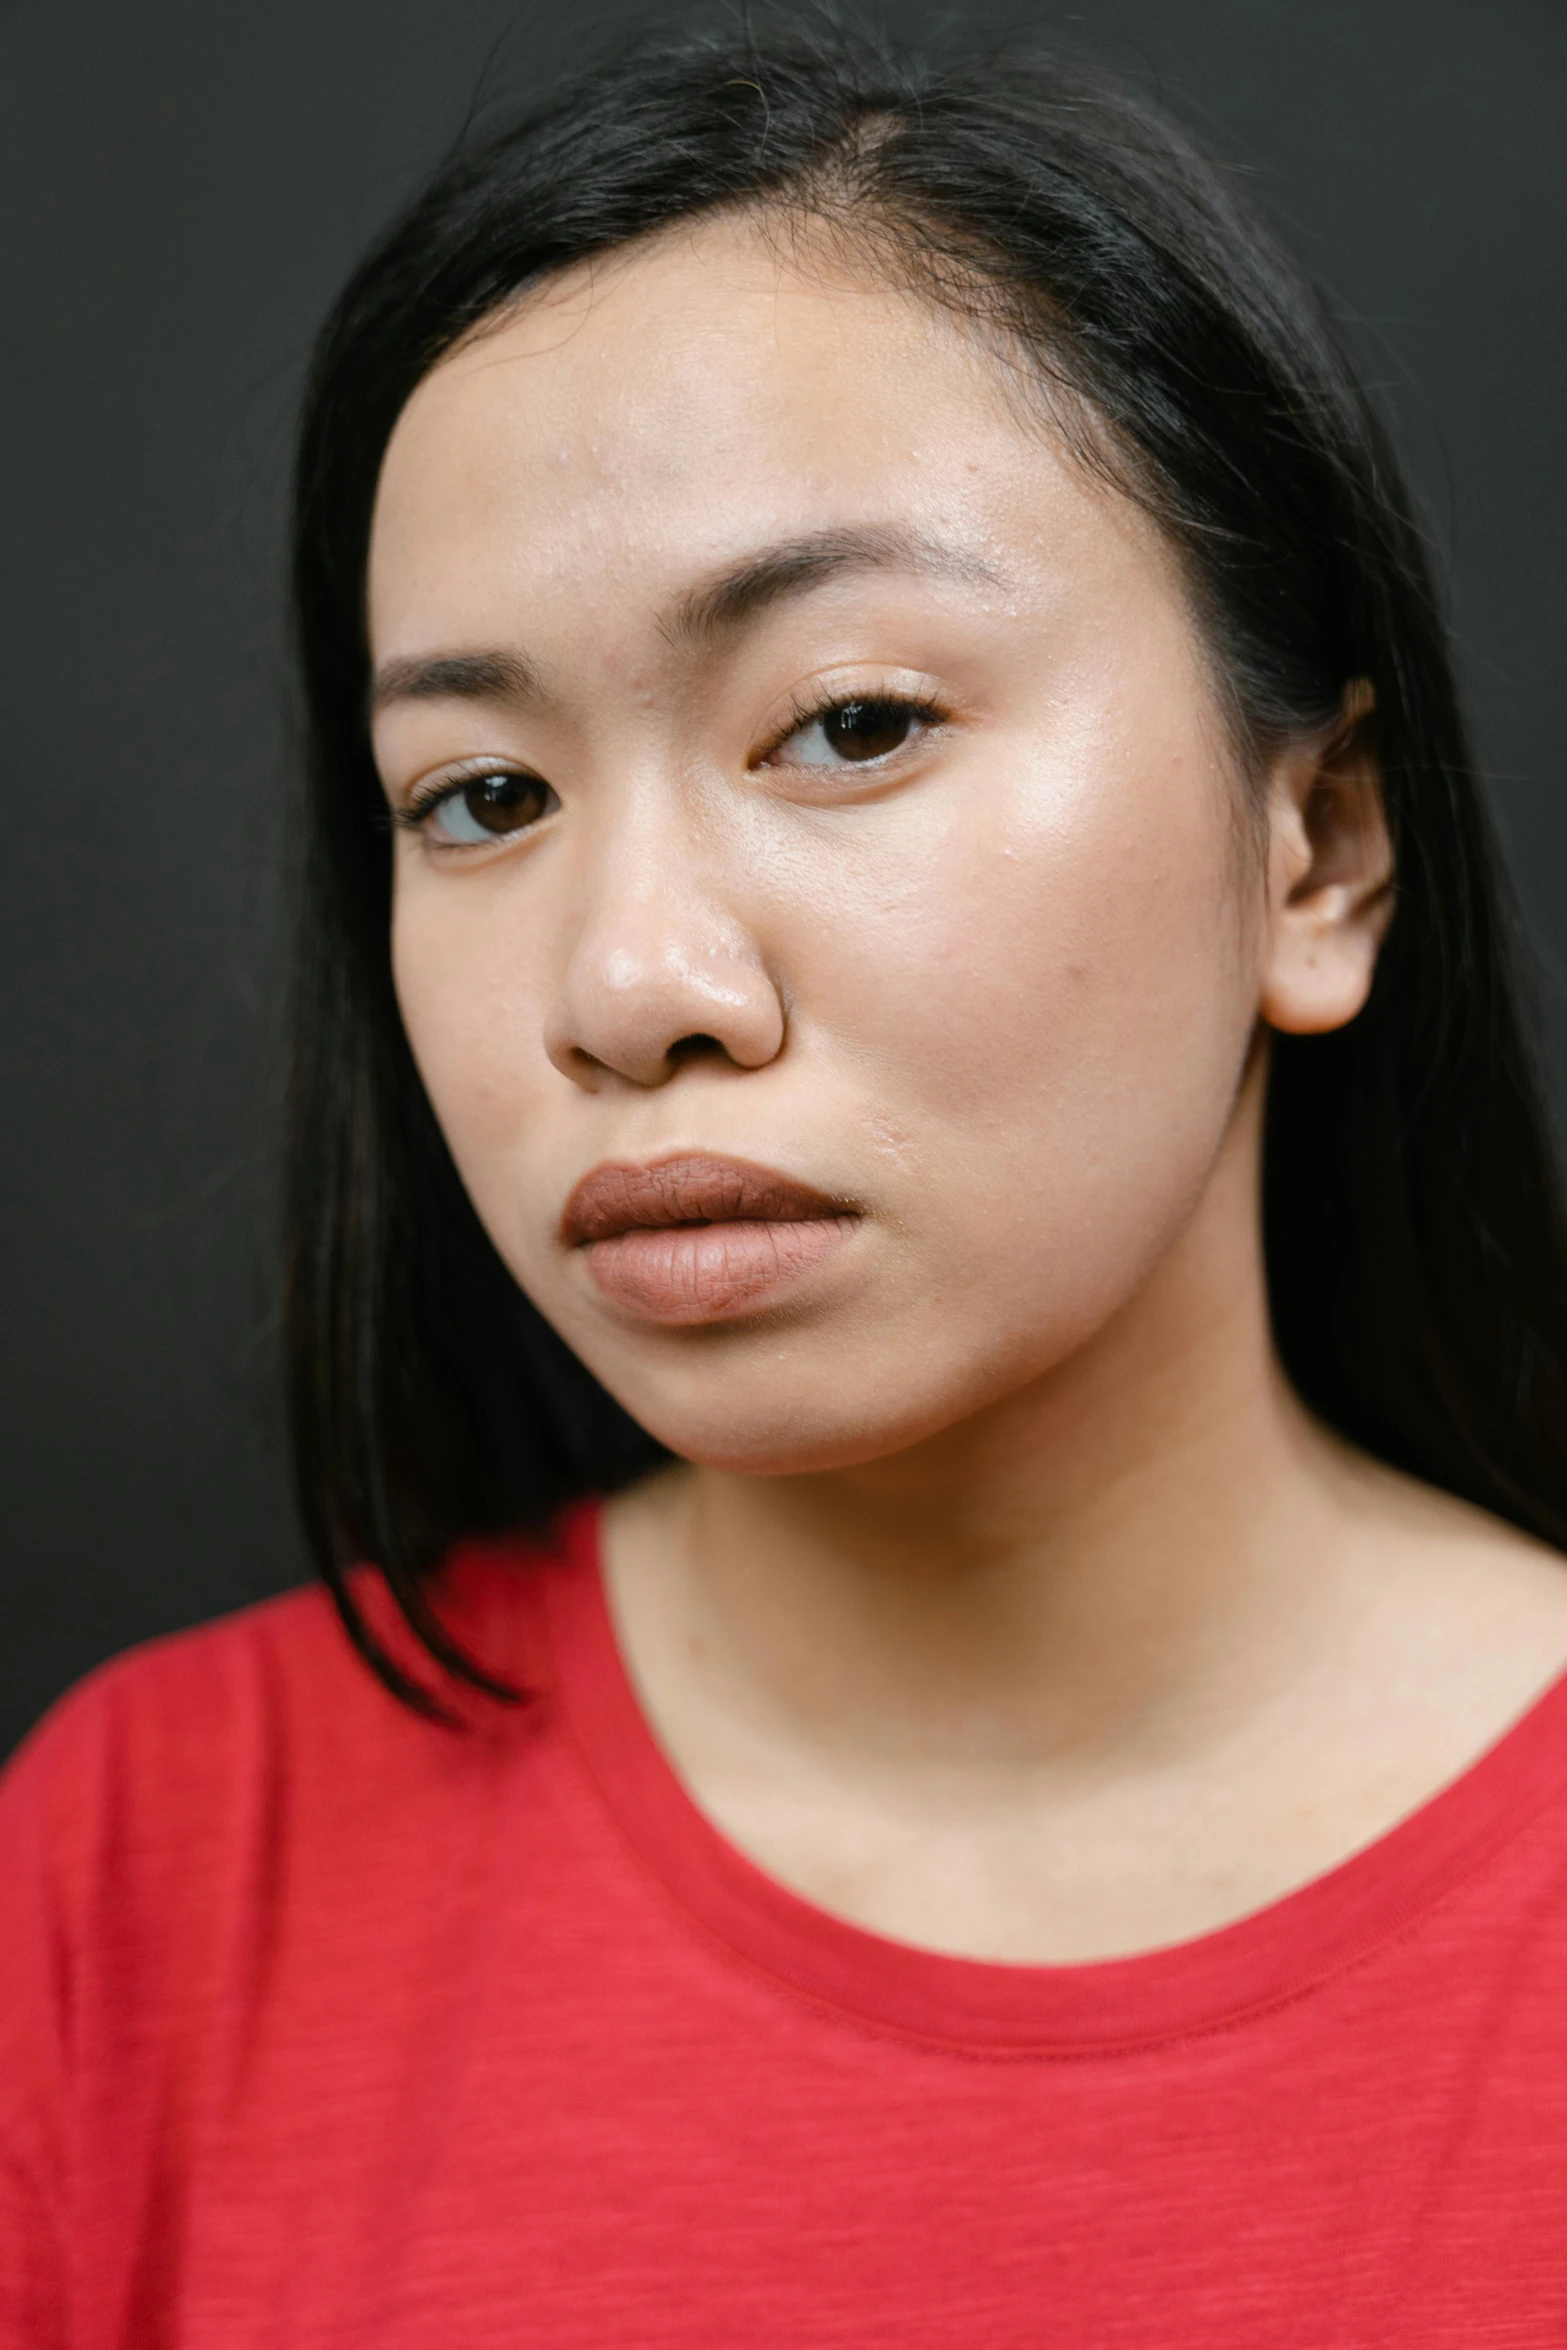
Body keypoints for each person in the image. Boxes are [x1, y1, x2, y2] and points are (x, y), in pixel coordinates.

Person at [7, 19, 1567, 2342]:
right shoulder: (148, 1866)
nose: (630, 984)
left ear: (1316, 844)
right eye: (482, 796)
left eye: (851, 722)